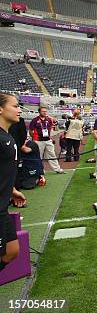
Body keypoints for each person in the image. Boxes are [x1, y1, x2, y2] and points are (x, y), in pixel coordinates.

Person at [0, 93, 27, 273]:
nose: (19, 110)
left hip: (3, 206)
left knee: (11, 251)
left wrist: (12, 190)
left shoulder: (8, 136)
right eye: (15, 106)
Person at [28, 106, 64, 173]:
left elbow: (55, 128)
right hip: (38, 141)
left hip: (48, 140)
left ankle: (57, 169)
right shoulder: (34, 120)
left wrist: (55, 124)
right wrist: (34, 137)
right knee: (39, 156)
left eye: (45, 111)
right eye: (43, 111)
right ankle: (40, 170)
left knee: (52, 154)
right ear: (39, 112)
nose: (45, 112)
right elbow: (30, 130)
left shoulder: (49, 119)